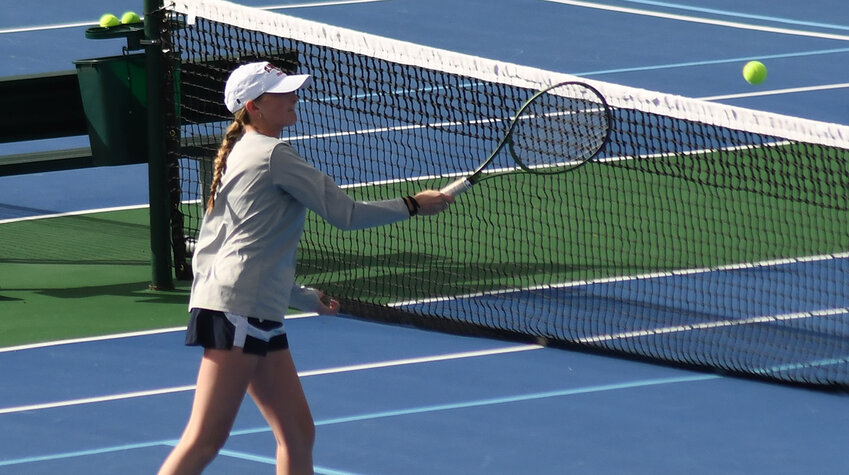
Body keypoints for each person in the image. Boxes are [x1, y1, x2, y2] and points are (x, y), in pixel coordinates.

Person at [158, 61, 452, 475]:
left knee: (297, 432)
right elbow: (345, 213)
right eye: (283, 92)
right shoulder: (272, 153)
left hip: (253, 309)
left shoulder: (243, 149)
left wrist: (299, 296)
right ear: (256, 106)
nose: (295, 96)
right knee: (205, 439)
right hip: (239, 313)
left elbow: (222, 251)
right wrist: (413, 205)